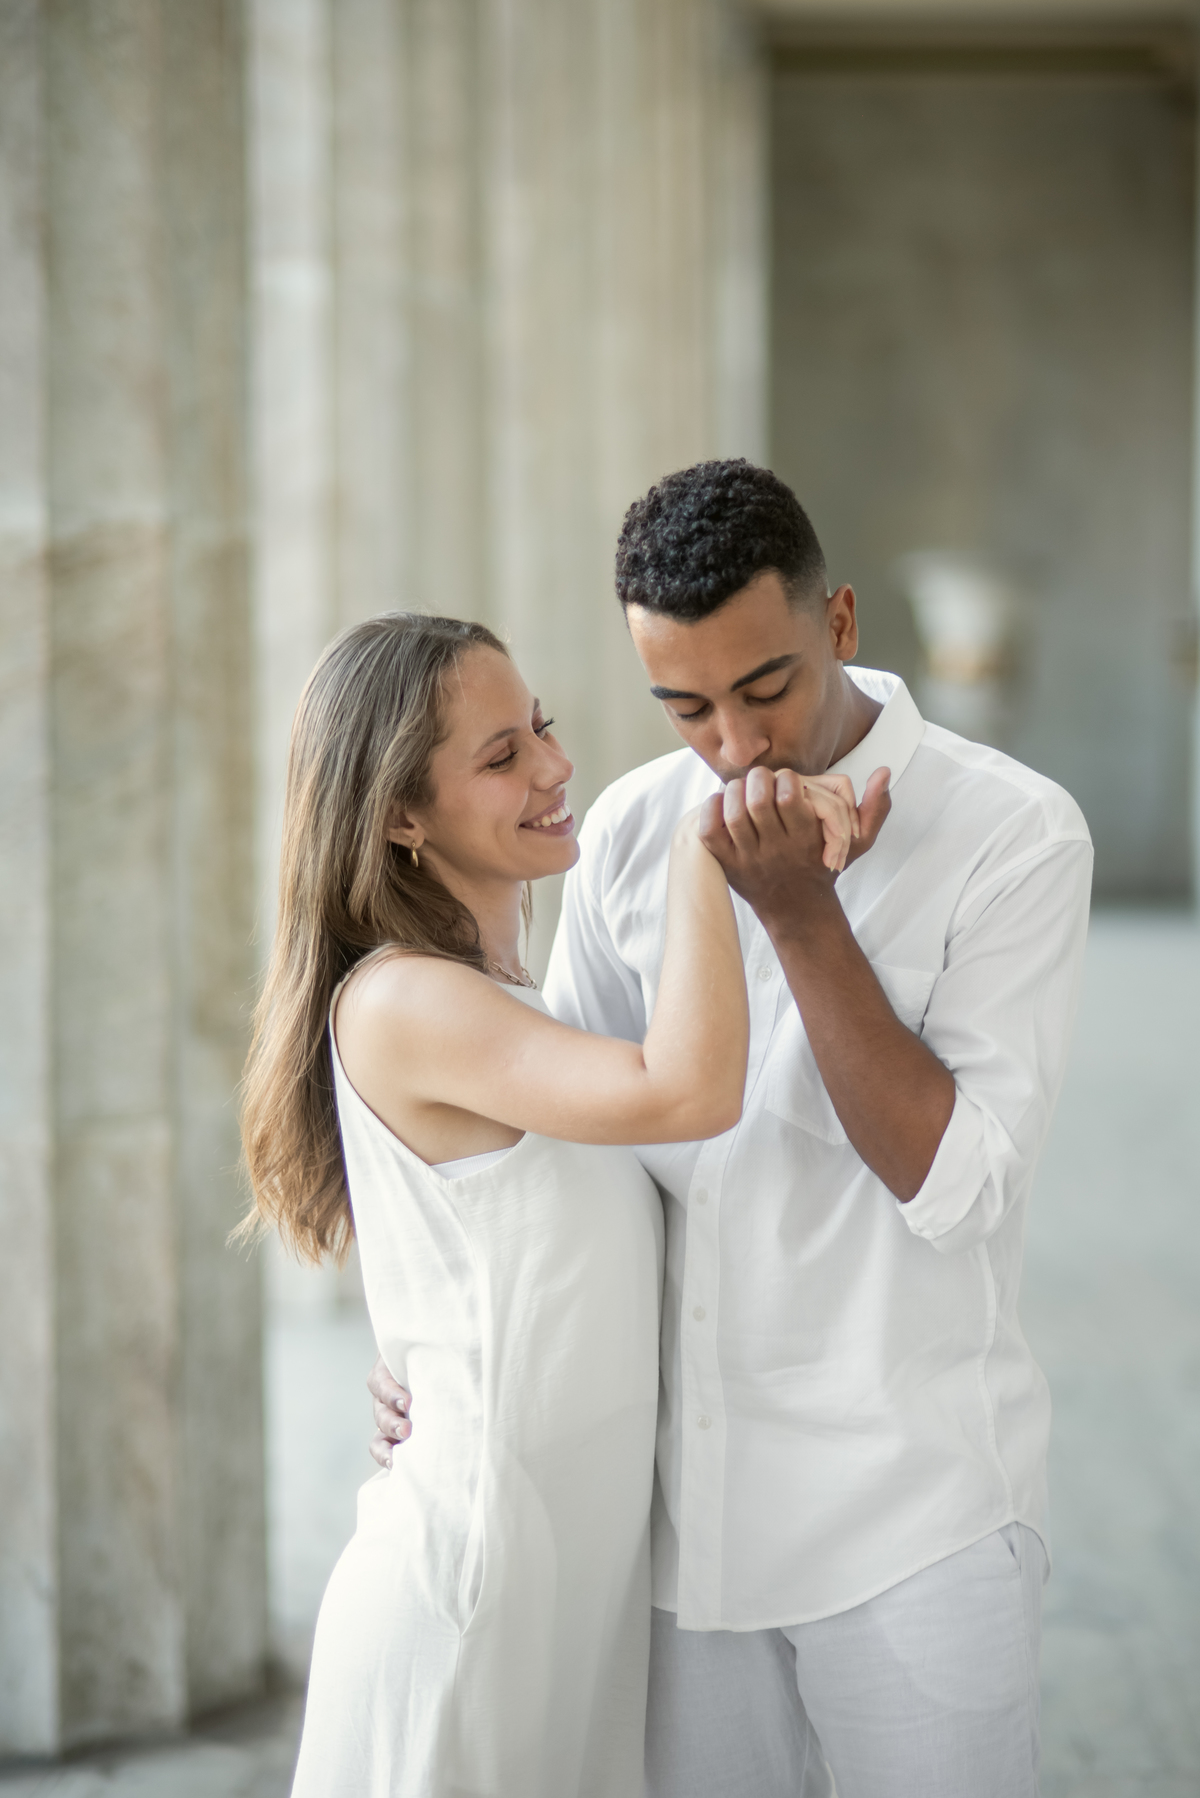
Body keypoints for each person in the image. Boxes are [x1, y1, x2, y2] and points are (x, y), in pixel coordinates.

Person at [371, 462, 1094, 1798]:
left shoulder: (1015, 834)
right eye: (688, 706)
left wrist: (800, 918)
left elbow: (959, 1187)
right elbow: (572, 1150)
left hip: (913, 1527)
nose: (737, 743)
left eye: (766, 688)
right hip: (677, 1539)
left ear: (841, 621)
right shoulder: (632, 829)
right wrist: (455, 1354)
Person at [239, 610, 872, 1798]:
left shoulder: (517, 1005)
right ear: (400, 816)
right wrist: (705, 850)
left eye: (540, 726)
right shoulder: (402, 1000)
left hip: (569, 1594)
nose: (555, 764)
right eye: (501, 755)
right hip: (473, 1591)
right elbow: (688, 1090)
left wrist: (437, 1355)